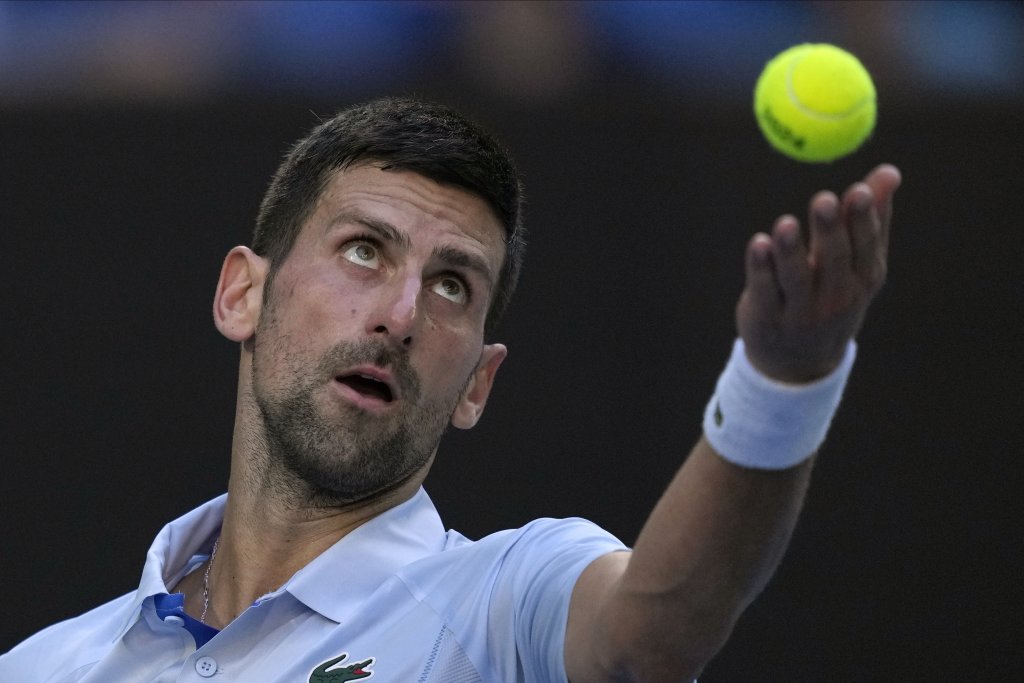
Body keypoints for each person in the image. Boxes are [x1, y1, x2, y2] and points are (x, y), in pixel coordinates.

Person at [1, 97, 901, 683]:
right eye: (364, 250)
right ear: (244, 293)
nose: (400, 315)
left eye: (452, 286)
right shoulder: (47, 667)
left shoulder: (504, 602)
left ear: (478, 382)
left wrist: (783, 381)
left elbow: (650, 631)